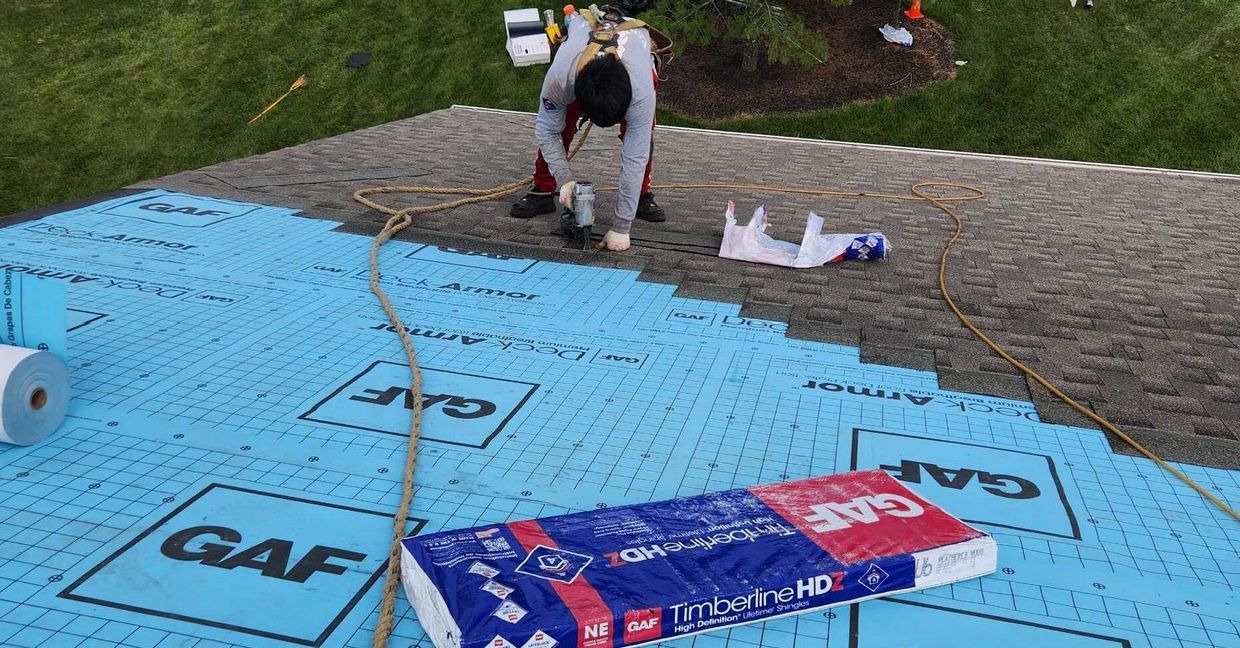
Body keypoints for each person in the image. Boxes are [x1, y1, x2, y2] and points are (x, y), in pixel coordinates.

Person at [508, 5, 665, 251]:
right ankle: (543, 189)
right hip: (579, 64)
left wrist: (622, 228)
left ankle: (641, 196)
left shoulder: (641, 91)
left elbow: (636, 155)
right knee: (560, 127)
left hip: (635, 57)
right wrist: (565, 180)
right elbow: (546, 129)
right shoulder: (561, 77)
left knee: (642, 136)